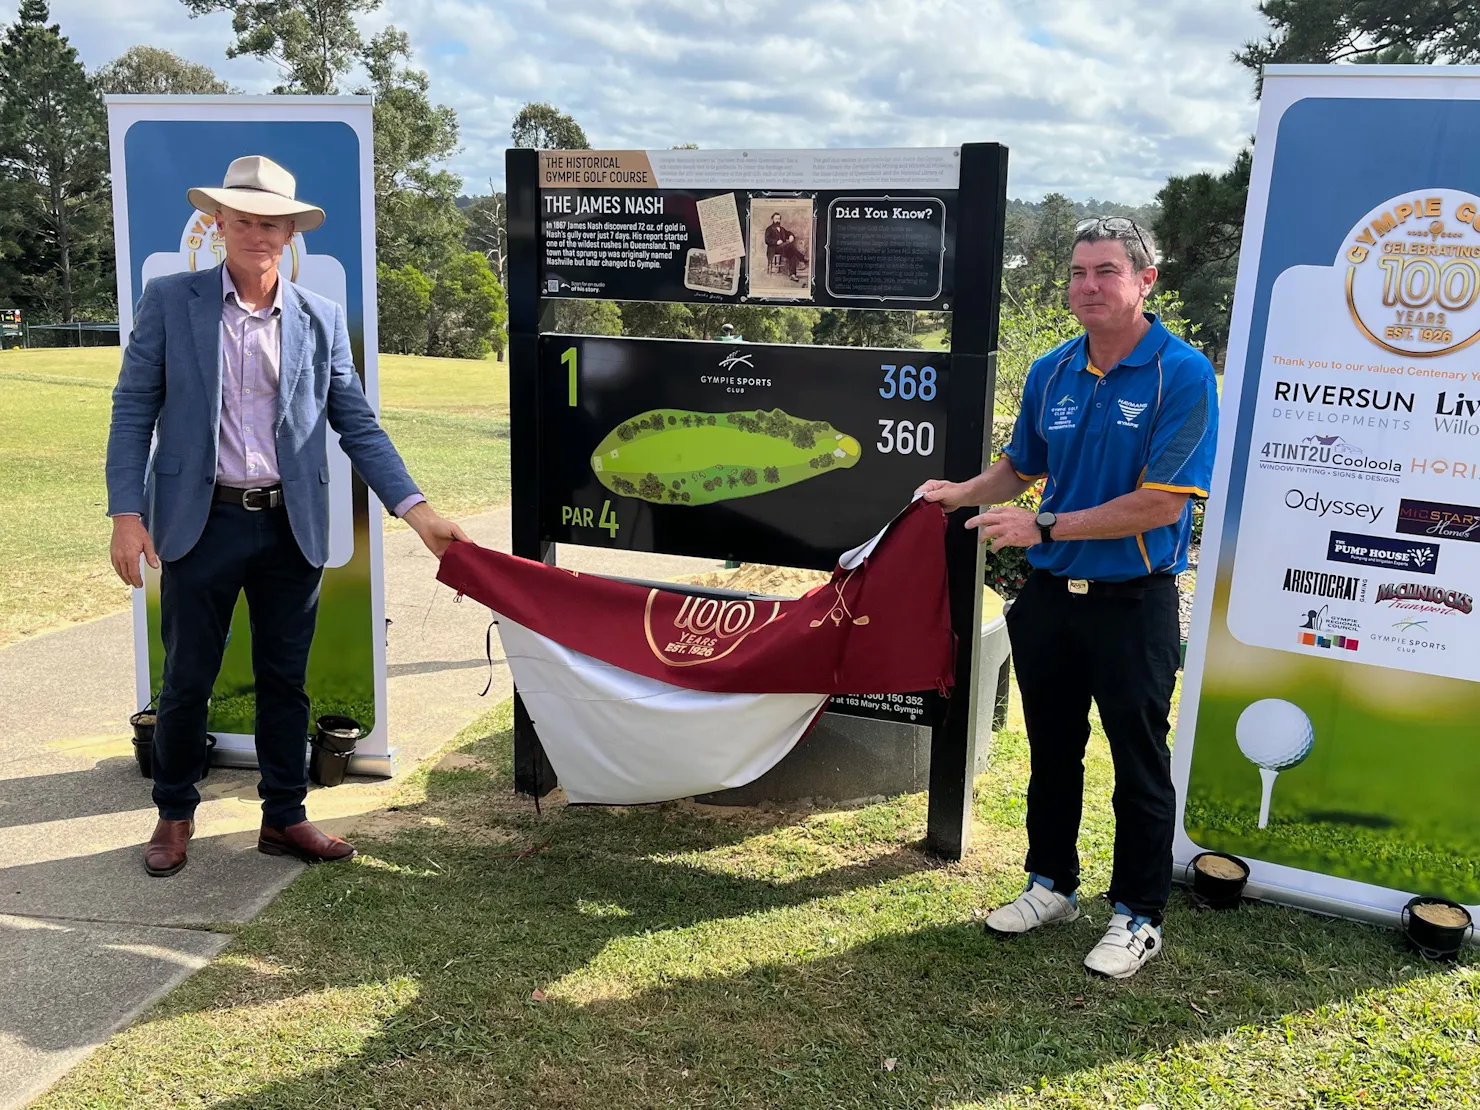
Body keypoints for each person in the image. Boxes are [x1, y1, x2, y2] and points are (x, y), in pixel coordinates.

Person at [106, 155, 467, 878]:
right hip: (196, 523)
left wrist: (417, 511)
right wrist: (125, 511)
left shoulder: (318, 318)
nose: (258, 234)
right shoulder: (171, 300)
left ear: (289, 231)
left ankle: (284, 817)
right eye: (244, 220)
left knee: (285, 681)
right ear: (220, 225)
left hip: (287, 525)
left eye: (271, 223)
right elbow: (133, 408)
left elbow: (356, 424)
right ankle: (173, 814)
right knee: (186, 682)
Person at [919, 217, 1217, 979]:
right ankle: (1051, 883)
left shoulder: (1180, 374)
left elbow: (1161, 503)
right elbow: (1020, 467)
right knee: (1052, 750)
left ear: (1146, 280)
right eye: (1079, 272)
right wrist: (960, 493)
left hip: (1133, 600)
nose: (1089, 286)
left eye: (1107, 271)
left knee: (1137, 761)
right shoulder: (1051, 369)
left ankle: (1139, 915)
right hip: (1052, 598)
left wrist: (1044, 524)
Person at [764, 212, 807, 280]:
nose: (778, 220)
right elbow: (767, 240)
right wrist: (776, 242)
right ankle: (802, 258)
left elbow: (788, 233)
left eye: (779, 219)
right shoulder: (769, 229)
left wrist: (791, 236)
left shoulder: (782, 229)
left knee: (792, 254)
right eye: (776, 218)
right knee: (789, 245)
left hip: (783, 248)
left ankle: (792, 275)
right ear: (772, 219)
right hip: (774, 249)